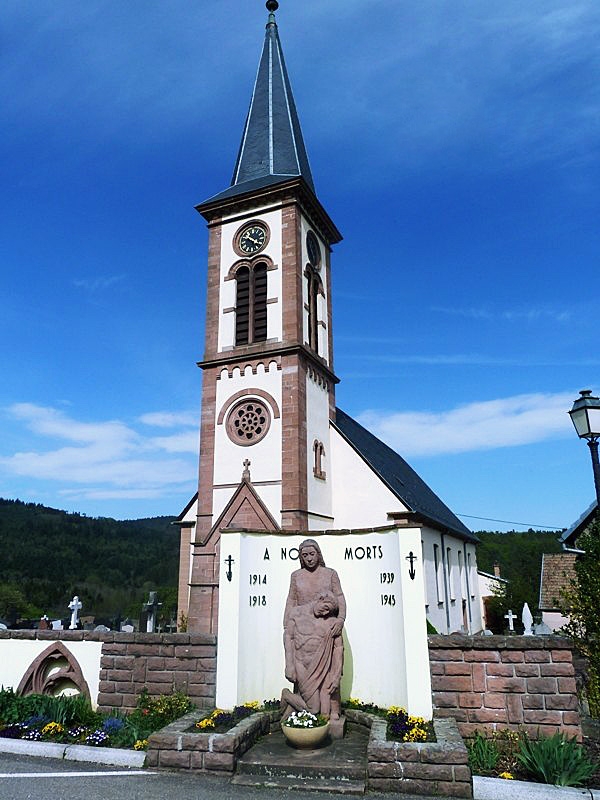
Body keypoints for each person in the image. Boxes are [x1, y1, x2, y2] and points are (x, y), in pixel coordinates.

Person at [282, 592, 343, 720]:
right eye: (326, 608)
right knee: (314, 708)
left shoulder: (331, 622)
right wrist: (289, 665)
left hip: (321, 665)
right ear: (320, 599)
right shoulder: (296, 613)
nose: (326, 613)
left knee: (321, 711)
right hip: (301, 663)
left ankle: (290, 699)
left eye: (329, 611)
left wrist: (336, 675)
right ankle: (287, 695)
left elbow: (338, 648)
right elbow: (289, 637)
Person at [284, 539, 346, 636]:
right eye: (305, 555)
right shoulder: (296, 576)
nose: (309, 558)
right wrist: (286, 626)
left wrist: (340, 619)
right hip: (303, 626)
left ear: (318, 554)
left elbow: (339, 596)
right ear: (301, 557)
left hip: (326, 625)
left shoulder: (330, 574)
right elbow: (291, 600)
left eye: (312, 554)